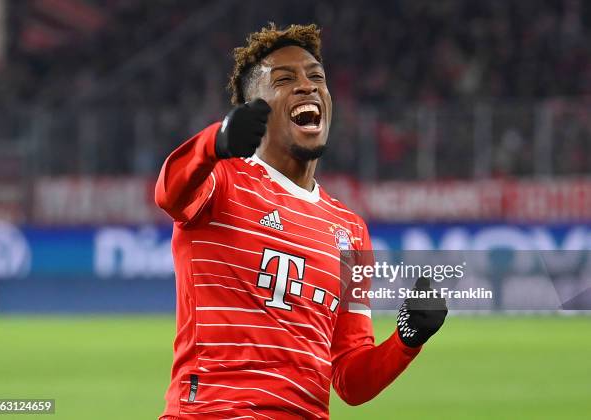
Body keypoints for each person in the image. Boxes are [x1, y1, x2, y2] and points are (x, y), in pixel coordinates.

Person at [155, 23, 447, 419]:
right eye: (284, 79)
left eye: (317, 77)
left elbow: (350, 379)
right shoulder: (222, 181)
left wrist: (407, 340)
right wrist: (216, 141)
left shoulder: (351, 232)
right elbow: (169, 192)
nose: (308, 86)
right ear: (251, 106)